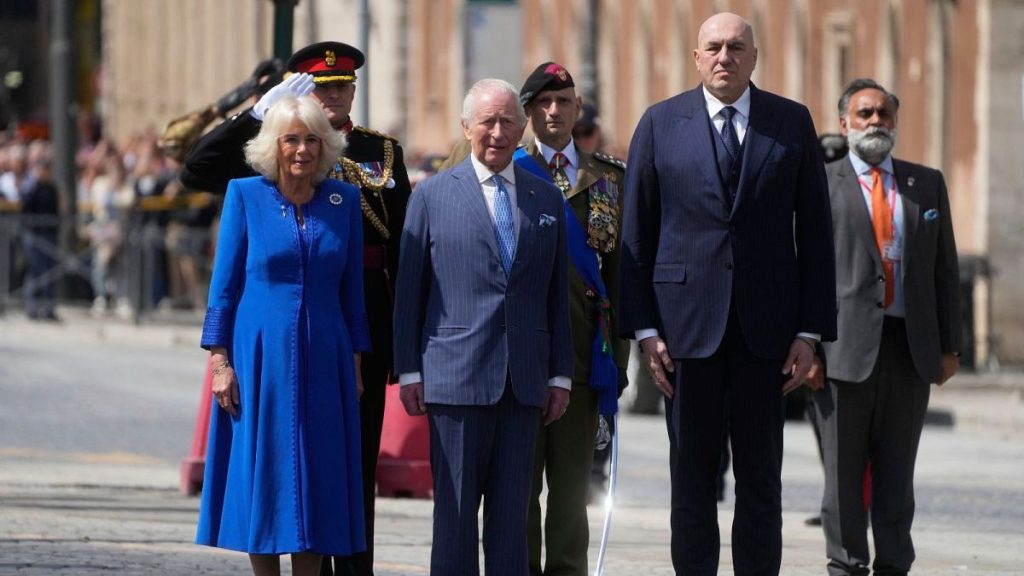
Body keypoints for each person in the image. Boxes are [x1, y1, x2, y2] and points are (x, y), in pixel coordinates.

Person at [618, 12, 837, 575]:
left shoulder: (790, 123)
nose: (725, 57)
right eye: (713, 47)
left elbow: (815, 234)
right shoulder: (661, 123)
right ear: (696, 58)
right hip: (684, 335)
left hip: (767, 335)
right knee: (690, 481)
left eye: (737, 47)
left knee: (761, 481)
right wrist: (644, 332)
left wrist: (810, 332)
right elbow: (635, 236)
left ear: (754, 57)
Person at [181, 42, 411, 576]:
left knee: (347, 464)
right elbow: (200, 171)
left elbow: (396, 251)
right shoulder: (251, 184)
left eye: (341, 86)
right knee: (271, 462)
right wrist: (261, 111)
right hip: (266, 342)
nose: (332, 95)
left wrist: (390, 343)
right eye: (320, 87)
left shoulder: (377, 157)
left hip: (356, 324)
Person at [393, 78, 572, 576]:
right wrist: (408, 370)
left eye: (507, 122)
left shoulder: (545, 199)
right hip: (454, 380)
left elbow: (555, 294)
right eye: (487, 122)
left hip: (524, 382)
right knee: (453, 517)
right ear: (466, 126)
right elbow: (410, 292)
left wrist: (560, 375)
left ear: (522, 129)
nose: (497, 132)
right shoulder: (431, 197)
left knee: (513, 519)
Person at [195, 95, 368, 576]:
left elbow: (353, 293)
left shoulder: (344, 201)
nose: (302, 150)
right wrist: (220, 363)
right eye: (292, 139)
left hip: (327, 359)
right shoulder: (245, 196)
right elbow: (223, 288)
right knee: (266, 473)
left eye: (312, 139)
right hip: (259, 360)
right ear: (274, 144)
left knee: (317, 477)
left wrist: (355, 364)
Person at [809, 78, 961, 576]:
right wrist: (806, 347)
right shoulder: (819, 181)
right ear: (844, 124)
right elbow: (802, 269)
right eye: (865, 114)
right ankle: (846, 564)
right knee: (843, 476)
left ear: (895, 122)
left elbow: (944, 268)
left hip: (909, 351)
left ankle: (895, 564)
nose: (875, 122)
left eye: (884, 114)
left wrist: (950, 345)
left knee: (897, 475)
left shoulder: (926, 183)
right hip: (841, 353)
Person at [508, 62, 630, 576]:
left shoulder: (609, 178)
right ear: (529, 112)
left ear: (578, 108)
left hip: (583, 354)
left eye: (563, 102)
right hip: (517, 352)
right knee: (516, 489)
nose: (554, 112)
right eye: (543, 103)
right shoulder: (504, 169)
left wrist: (617, 364)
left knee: (571, 493)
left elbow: (622, 277)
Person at [20, 152, 59, 321]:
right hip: (34, 235)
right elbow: (26, 208)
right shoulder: (32, 187)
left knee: (50, 272)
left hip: (48, 234)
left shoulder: (51, 188)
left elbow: (56, 211)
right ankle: (33, 307)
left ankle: (49, 308)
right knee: (35, 271)